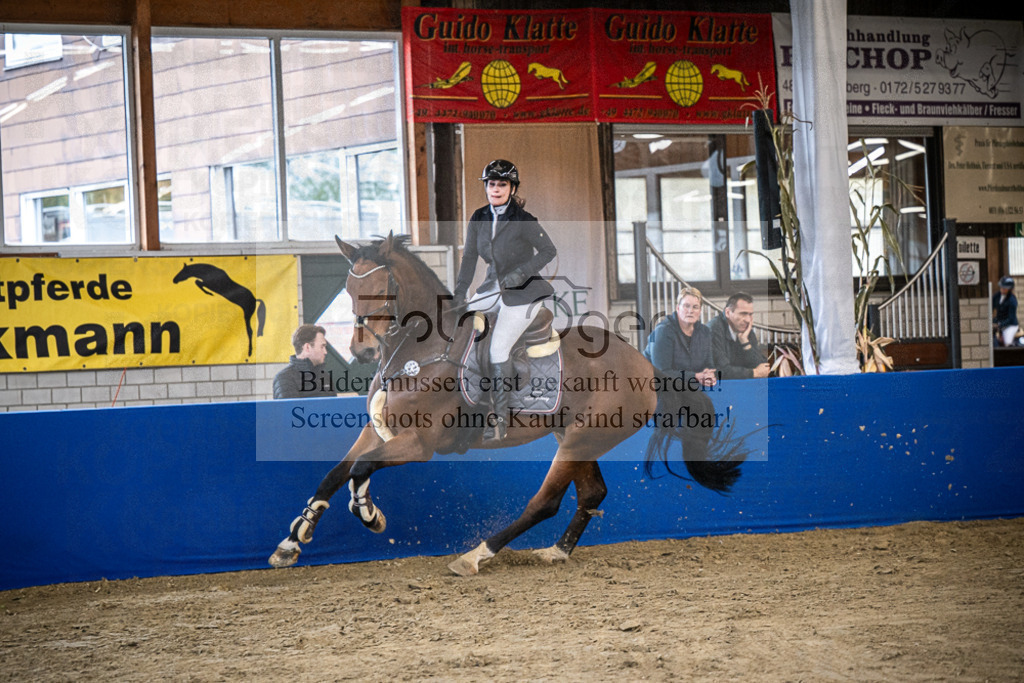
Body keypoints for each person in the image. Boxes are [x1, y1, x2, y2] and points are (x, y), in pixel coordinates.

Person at [453, 159, 557, 442]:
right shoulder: (478, 217)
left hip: (524, 293)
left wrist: (521, 272)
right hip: (492, 287)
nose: (495, 189)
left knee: (498, 348)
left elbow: (548, 251)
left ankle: (498, 421)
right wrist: (460, 292)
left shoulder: (524, 220)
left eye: (502, 184)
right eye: (491, 184)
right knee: (458, 326)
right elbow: (469, 257)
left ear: (512, 188)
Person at [643, 287, 718, 388]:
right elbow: (661, 372)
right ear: (678, 308)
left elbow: (709, 364)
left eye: (695, 307)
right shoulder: (663, 331)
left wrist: (708, 373)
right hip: (653, 387)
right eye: (686, 306)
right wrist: (695, 376)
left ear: (700, 311)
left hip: (687, 387)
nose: (690, 311)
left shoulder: (705, 332)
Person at [709, 292, 771, 379]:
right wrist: (753, 372)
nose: (748, 320)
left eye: (750, 314)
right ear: (728, 313)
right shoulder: (713, 330)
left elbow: (762, 367)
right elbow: (721, 370)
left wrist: (745, 343)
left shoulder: (745, 330)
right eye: (743, 314)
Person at [273, 324, 336, 399]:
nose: (325, 352)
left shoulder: (325, 376)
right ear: (307, 347)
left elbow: (334, 405)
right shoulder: (284, 378)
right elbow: (291, 407)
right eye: (322, 346)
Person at [992, 276, 1019, 347]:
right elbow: (990, 307)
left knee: (1007, 342)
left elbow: (1011, 318)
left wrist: (999, 325)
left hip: (1010, 325)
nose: (1002, 289)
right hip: (1000, 322)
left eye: (1005, 288)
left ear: (1009, 289)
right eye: (1001, 287)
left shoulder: (1012, 301)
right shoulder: (996, 296)